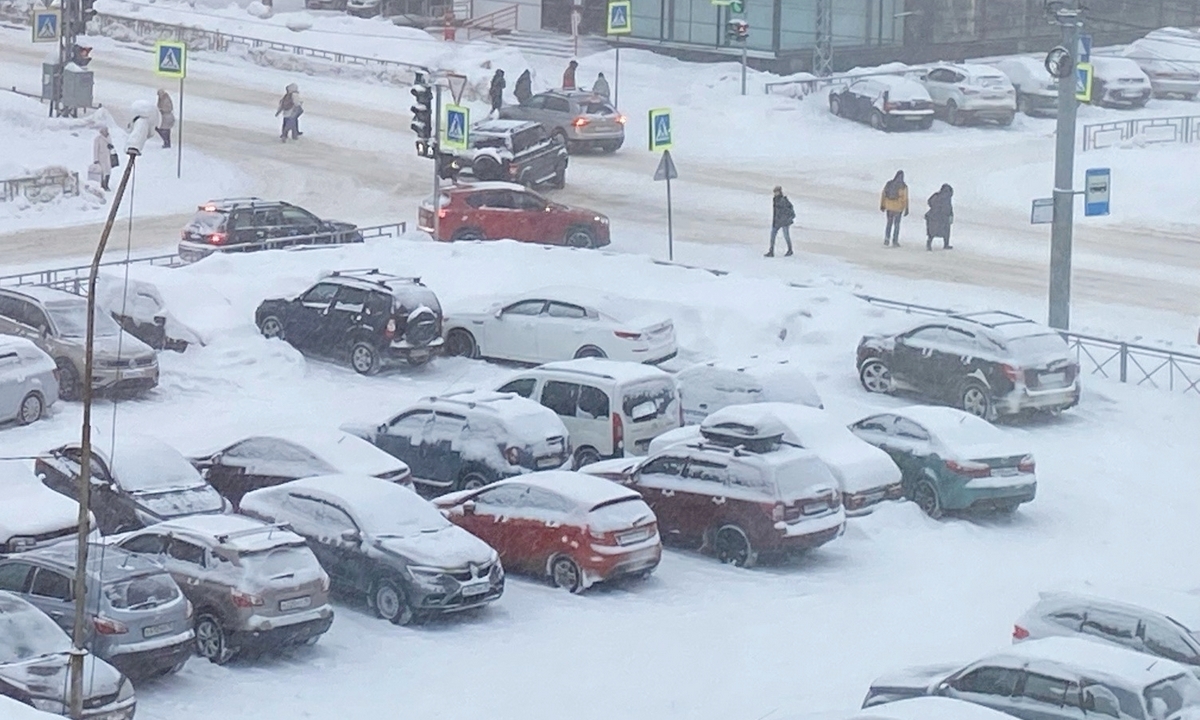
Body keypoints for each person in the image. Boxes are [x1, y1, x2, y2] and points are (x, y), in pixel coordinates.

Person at [879, 170, 909, 247]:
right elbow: (905, 198)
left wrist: (882, 205)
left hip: (889, 207)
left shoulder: (889, 184)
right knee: (897, 225)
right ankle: (895, 241)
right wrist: (906, 208)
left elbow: (883, 194)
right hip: (898, 208)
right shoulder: (903, 186)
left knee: (889, 223)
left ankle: (887, 239)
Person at [766, 186, 795, 257]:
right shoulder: (775, 199)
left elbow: (788, 210)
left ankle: (790, 250)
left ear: (780, 192)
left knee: (786, 236)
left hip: (784, 222)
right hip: (777, 221)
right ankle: (771, 251)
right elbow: (775, 212)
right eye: (774, 192)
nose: (775, 193)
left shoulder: (783, 200)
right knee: (773, 236)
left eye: (776, 192)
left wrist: (786, 219)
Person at [925, 184, 954, 250]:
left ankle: (929, 244)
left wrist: (934, 208)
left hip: (934, 216)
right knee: (946, 232)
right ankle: (946, 244)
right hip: (944, 217)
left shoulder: (937, 195)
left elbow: (930, 202)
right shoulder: (948, 198)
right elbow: (949, 208)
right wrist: (950, 215)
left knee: (932, 232)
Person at [92, 126, 112, 191]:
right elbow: (95, 149)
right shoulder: (98, 139)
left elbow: (111, 146)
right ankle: (102, 185)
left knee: (108, 171)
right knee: (102, 172)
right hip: (101, 158)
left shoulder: (109, 138)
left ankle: (107, 184)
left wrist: (111, 147)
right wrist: (96, 159)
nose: (106, 132)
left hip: (108, 157)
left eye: (106, 130)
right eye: (104, 130)